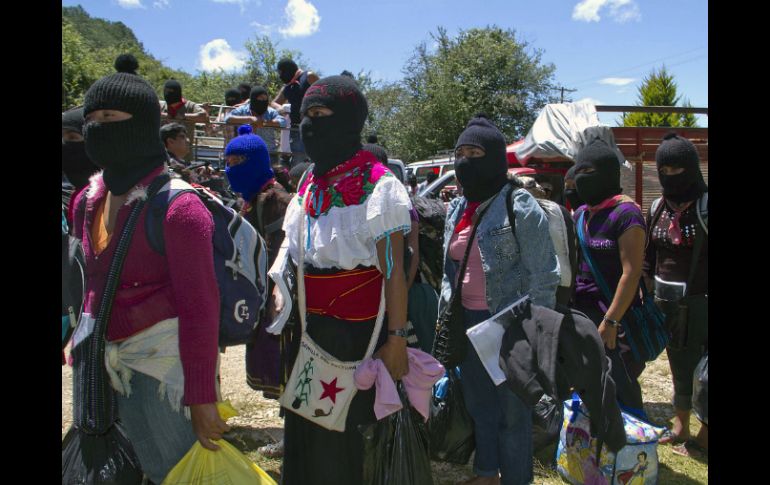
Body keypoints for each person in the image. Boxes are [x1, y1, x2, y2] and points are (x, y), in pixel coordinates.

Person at [71, 70, 227, 484]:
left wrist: (200, 397)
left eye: (110, 116)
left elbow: (200, 307)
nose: (97, 128)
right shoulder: (86, 200)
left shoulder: (178, 207)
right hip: (97, 364)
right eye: (92, 118)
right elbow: (89, 284)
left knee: (170, 473)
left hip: (161, 374)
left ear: (140, 123)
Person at [277, 75, 412, 485]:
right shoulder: (308, 185)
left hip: (358, 338)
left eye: (321, 114)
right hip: (310, 332)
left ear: (349, 120)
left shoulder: (380, 186)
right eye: (306, 116)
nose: (311, 124)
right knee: (307, 431)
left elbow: (394, 273)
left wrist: (397, 339)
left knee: (343, 440)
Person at [440, 115, 560, 485]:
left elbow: (545, 275)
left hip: (511, 326)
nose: (465, 160)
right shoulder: (457, 209)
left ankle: (516, 479)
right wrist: (448, 313)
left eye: (475, 151)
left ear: (493, 157)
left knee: (513, 411)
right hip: (469, 326)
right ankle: (487, 472)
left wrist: (535, 334)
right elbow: (448, 271)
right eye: (460, 152)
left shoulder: (518, 204)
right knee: (480, 406)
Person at [223, 125, 296, 459]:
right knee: (277, 369)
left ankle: (295, 437)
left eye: (239, 160)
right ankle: (291, 434)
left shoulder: (279, 201)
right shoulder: (251, 202)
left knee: (288, 368)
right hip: (262, 299)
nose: (231, 169)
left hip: (283, 303)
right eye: (229, 160)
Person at [572, 138, 647, 413]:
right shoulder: (581, 215)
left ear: (607, 174)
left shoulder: (627, 215)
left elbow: (632, 272)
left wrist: (611, 320)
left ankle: (635, 449)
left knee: (621, 386)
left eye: (588, 173)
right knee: (590, 385)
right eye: (578, 172)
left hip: (618, 318)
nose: (582, 180)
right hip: (583, 315)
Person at [643, 133, 708, 454]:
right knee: (680, 366)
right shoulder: (658, 207)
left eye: (677, 169)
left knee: (705, 372)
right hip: (667, 303)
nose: (670, 177)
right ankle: (681, 427)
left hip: (702, 303)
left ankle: (705, 435)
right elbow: (648, 254)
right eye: (664, 171)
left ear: (692, 168)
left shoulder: (705, 207)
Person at [271, 59, 319, 162]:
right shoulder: (287, 87)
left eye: (281, 73)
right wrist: (279, 108)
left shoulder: (309, 76)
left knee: (316, 161)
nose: (280, 76)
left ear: (288, 70)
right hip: (296, 130)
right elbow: (274, 103)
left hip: (314, 128)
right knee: (298, 164)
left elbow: (325, 93)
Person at [225, 86, 287, 162]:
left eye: (265, 98)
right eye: (260, 98)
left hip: (267, 152)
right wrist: (250, 119)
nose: (263, 101)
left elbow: (283, 122)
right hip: (245, 153)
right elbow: (227, 118)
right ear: (253, 98)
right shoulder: (243, 110)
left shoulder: (270, 112)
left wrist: (265, 123)